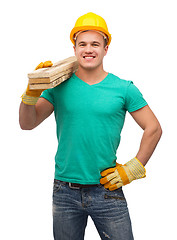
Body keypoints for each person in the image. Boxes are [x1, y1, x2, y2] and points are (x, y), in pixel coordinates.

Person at [19, 12, 162, 240]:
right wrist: (30, 95)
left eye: (95, 44)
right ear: (74, 48)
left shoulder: (124, 88)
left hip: (107, 189)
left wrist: (133, 168)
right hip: (64, 191)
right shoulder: (57, 87)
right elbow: (27, 124)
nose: (88, 49)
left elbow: (153, 128)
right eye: (82, 44)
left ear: (106, 48)